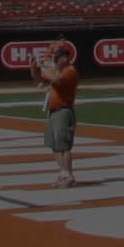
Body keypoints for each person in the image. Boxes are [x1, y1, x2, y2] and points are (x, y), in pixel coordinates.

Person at [40, 47, 79, 188]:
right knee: (55, 146)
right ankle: (62, 172)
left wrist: (47, 69)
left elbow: (56, 81)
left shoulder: (70, 71)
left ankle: (69, 175)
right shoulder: (57, 71)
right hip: (52, 110)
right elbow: (38, 78)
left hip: (63, 110)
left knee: (64, 145)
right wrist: (35, 68)